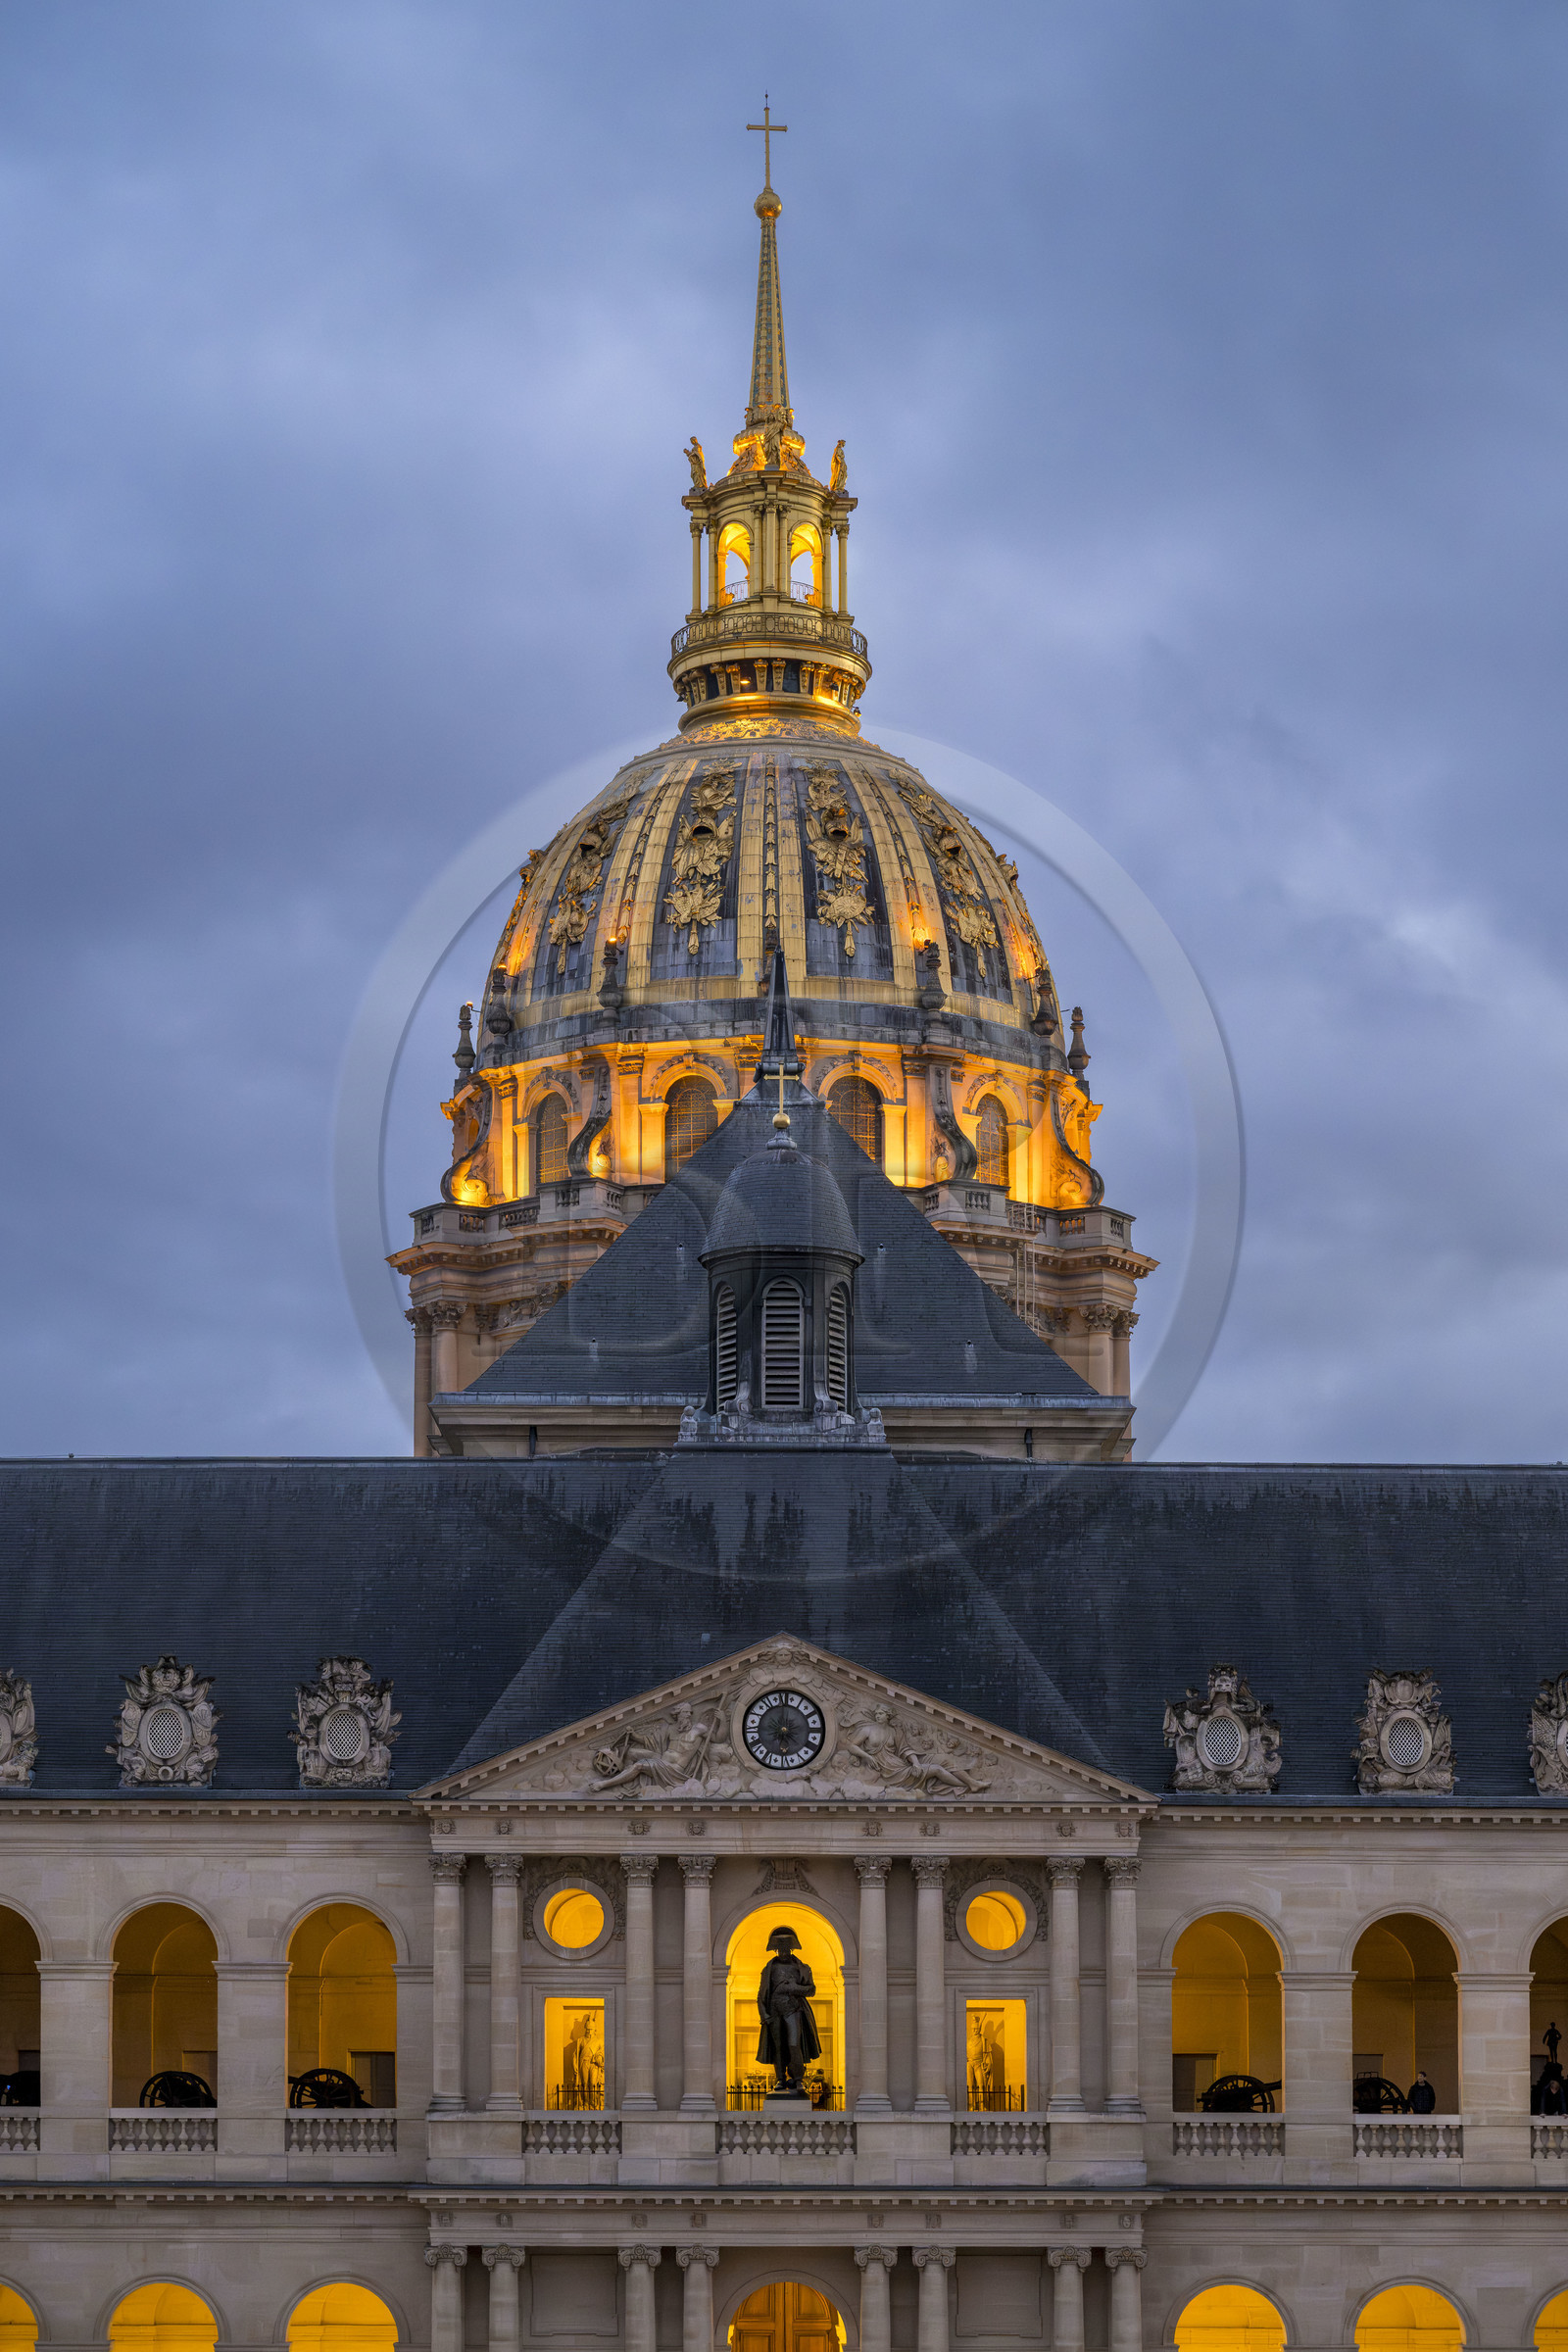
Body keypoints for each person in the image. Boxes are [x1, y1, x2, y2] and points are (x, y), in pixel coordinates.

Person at [756, 1925, 821, 2096]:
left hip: (794, 2009)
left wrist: (794, 1987)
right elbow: (761, 1994)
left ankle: (798, 2079)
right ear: (776, 1950)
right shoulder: (769, 1969)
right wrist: (764, 2015)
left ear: (791, 1948)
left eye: (786, 1948)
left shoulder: (802, 1967)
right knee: (778, 2047)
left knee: (794, 2044)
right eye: (779, 1949)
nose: (783, 1952)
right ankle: (780, 2079)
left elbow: (811, 1990)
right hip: (774, 2011)